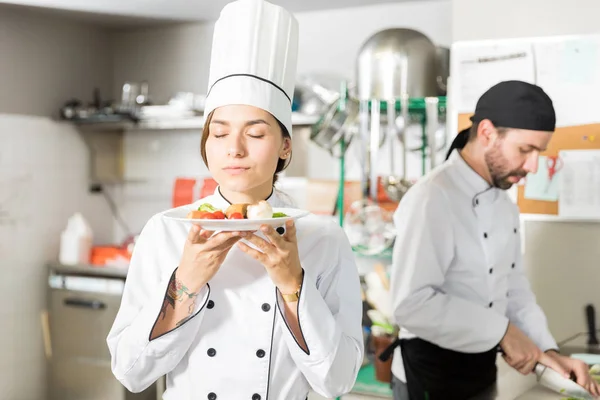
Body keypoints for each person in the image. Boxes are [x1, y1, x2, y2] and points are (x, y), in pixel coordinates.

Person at [106, 1, 364, 399]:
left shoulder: (323, 237)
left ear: (285, 147)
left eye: (256, 134)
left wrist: (293, 284)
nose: (234, 150)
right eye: (219, 133)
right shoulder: (166, 230)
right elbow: (130, 372)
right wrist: (186, 282)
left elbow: (338, 381)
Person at [387, 80, 600, 399]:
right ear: (487, 132)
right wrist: (503, 332)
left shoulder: (503, 204)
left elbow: (513, 289)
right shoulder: (433, 198)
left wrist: (548, 351)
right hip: (429, 375)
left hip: (480, 372)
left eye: (538, 152)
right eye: (525, 149)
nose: (532, 165)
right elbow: (411, 304)